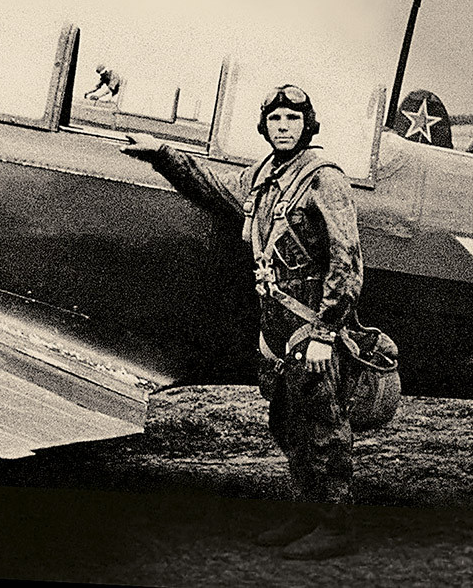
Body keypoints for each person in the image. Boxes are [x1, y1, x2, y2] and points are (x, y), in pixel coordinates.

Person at [122, 84, 363, 560]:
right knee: (288, 423)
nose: (283, 127)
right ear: (264, 127)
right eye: (275, 120)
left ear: (308, 126)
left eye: (292, 119)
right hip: (278, 326)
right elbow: (213, 189)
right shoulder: (263, 176)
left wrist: (325, 333)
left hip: (311, 323)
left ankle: (337, 525)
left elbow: (347, 259)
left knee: (322, 427)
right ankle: (307, 513)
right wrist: (163, 155)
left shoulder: (324, 179)